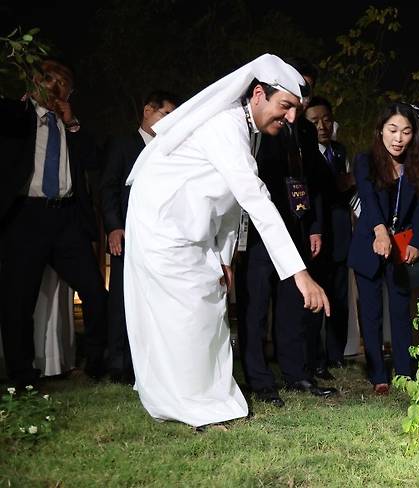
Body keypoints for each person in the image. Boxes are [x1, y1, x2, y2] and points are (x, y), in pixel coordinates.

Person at [123, 54, 330, 429]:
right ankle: (191, 406)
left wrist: (226, 258)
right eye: (285, 106)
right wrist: (300, 274)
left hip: (195, 230)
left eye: (296, 110)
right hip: (165, 227)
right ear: (257, 94)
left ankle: (205, 398)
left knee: (208, 311)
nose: (290, 119)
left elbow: (232, 206)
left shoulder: (246, 128)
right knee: (186, 316)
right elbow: (255, 198)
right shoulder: (224, 126)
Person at [0, 59, 108, 388]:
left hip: (66, 219)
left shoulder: (69, 126)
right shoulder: (15, 115)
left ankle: (94, 365)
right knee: (18, 301)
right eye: (51, 81)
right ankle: (22, 377)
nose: (57, 89)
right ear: (36, 83)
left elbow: (94, 160)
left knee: (94, 291)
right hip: (25, 217)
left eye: (64, 85)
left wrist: (72, 122)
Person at [236, 78, 336, 407]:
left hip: (295, 227)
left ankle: (296, 374)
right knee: (255, 307)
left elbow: (315, 182)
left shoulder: (302, 130)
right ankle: (260, 381)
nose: (296, 109)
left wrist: (314, 226)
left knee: (292, 306)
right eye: (292, 100)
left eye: (302, 98)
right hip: (259, 232)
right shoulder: (254, 128)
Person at [347, 102, 419, 395]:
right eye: (392, 130)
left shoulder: (418, 165)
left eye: (406, 132)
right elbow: (368, 200)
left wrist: (417, 242)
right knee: (370, 313)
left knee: (400, 311)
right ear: (380, 130)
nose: (398, 138)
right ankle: (378, 375)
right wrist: (380, 232)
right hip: (369, 246)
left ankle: (405, 372)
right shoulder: (365, 160)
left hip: (400, 250)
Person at [100, 90, 180, 385]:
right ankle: (118, 365)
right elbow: (108, 188)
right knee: (122, 301)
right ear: (148, 110)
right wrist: (113, 227)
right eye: (166, 115)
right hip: (128, 237)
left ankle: (150, 364)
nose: (170, 122)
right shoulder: (122, 145)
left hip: (162, 240)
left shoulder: (172, 151)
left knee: (155, 304)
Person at [304, 96, 355, 376]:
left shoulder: (339, 150)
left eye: (325, 119)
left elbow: (345, 190)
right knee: (316, 298)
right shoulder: (303, 152)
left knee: (340, 296)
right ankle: (315, 357)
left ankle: (337, 354)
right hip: (316, 233)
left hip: (340, 232)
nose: (322, 126)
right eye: (314, 121)